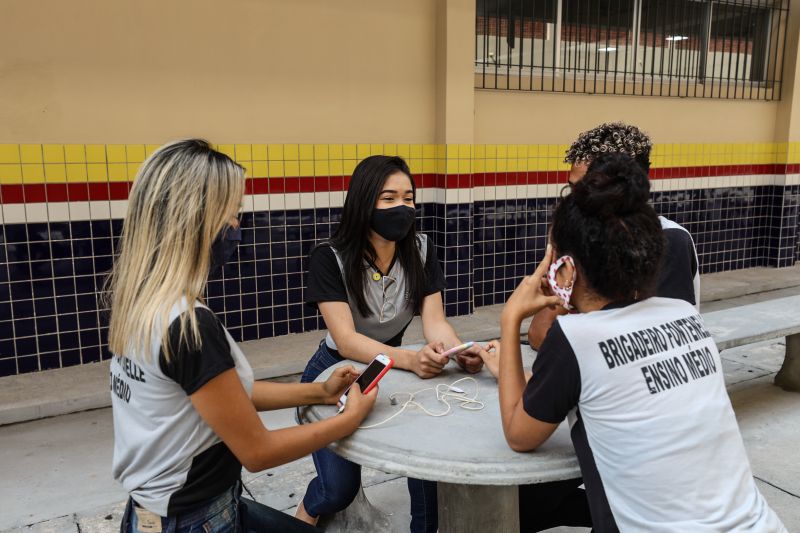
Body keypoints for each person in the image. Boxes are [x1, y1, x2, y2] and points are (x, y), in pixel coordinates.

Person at [487, 154, 786, 532]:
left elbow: (519, 435)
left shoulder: (575, 339)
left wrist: (510, 318)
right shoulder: (683, 314)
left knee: (527, 507)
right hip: (761, 525)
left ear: (568, 267)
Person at [106, 139, 377, 532]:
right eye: (231, 215)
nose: (237, 227)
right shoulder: (189, 325)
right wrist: (349, 419)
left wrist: (318, 393)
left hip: (162, 512)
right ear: (194, 220)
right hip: (192, 520)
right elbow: (257, 452)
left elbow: (224, 397)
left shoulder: (142, 302)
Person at [294, 155, 484, 532]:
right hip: (336, 372)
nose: (403, 208)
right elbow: (347, 341)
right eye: (389, 198)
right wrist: (412, 360)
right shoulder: (329, 257)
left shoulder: (422, 250)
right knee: (338, 490)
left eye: (409, 198)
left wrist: (459, 351)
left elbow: (435, 322)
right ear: (365, 202)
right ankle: (308, 511)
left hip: (391, 370)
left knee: (425, 465)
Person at [528, 122, 700, 349]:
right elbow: (539, 334)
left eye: (585, 191)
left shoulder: (670, 240)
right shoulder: (582, 238)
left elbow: (666, 343)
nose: (572, 203)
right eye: (572, 190)